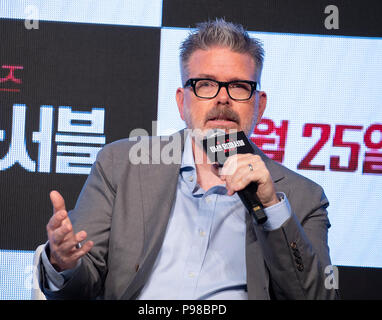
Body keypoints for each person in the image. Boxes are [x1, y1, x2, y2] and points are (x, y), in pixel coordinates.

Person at [38, 18, 338, 300]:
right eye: (206, 84)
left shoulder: (302, 198)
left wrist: (271, 207)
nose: (223, 98)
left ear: (259, 104)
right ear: (183, 102)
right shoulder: (121, 165)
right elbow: (81, 284)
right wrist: (62, 262)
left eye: (238, 86)